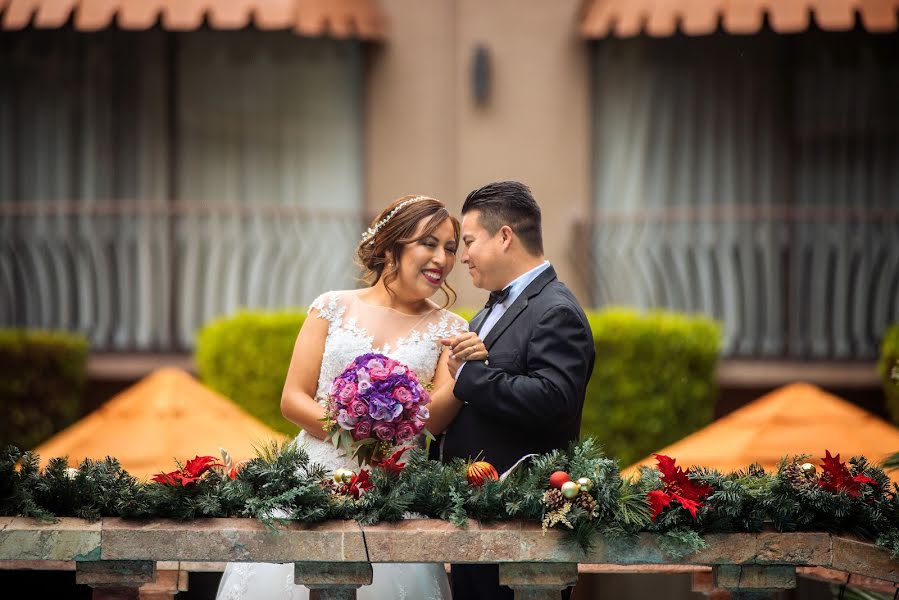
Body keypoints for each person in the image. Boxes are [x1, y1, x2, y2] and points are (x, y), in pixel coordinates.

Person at [216, 195, 485, 600]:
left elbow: (432, 421)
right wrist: (354, 431)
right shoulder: (330, 307)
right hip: (311, 477)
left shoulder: (450, 327)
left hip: (391, 491)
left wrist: (465, 374)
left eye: (450, 248)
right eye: (428, 244)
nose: (443, 259)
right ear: (392, 245)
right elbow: (293, 398)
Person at [438, 181, 595, 600]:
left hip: (521, 528)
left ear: (505, 236)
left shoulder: (556, 310)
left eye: (468, 241)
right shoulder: (485, 311)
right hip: (477, 524)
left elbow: (554, 400)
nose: (463, 256)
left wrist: (469, 377)